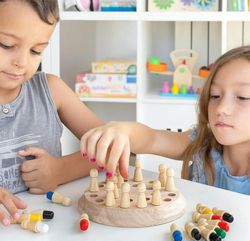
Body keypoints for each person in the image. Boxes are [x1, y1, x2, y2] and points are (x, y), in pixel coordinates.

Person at [81, 46, 250, 195]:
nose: (221, 108)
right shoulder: (203, 142)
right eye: (215, 95)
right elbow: (152, 139)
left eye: (243, 97)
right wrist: (123, 130)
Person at [0, 0, 102, 225]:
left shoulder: (52, 91)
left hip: (50, 232)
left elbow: (109, 148)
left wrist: (61, 170)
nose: (22, 62)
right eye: (6, 44)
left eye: (36, 51)